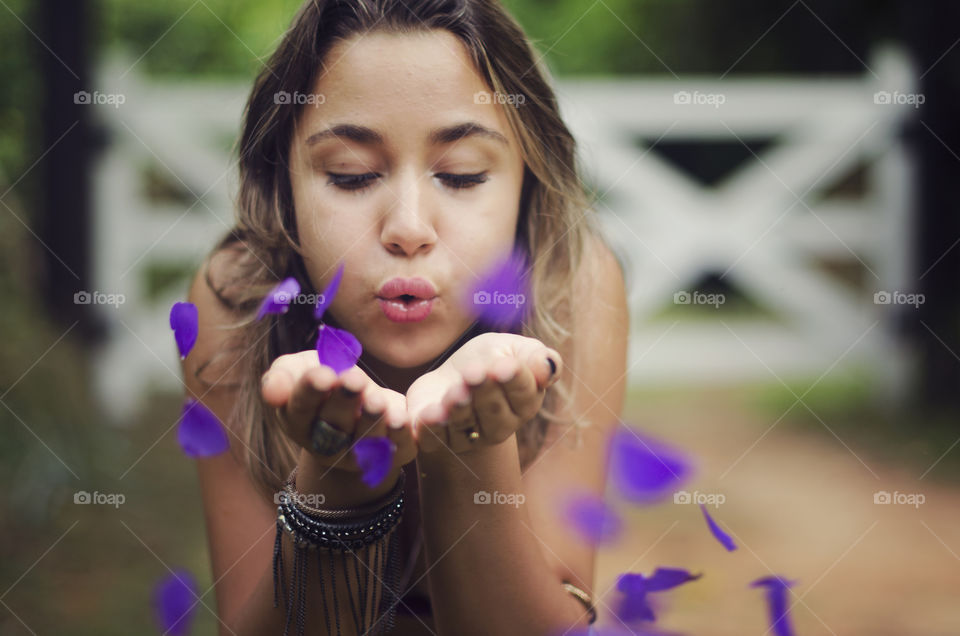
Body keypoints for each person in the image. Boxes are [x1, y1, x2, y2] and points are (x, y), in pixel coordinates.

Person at [180, 0, 628, 634]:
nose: (409, 229)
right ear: (285, 187)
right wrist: (338, 484)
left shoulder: (572, 285)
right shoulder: (232, 302)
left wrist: (468, 454)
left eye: (464, 175)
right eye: (352, 175)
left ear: (529, 183)